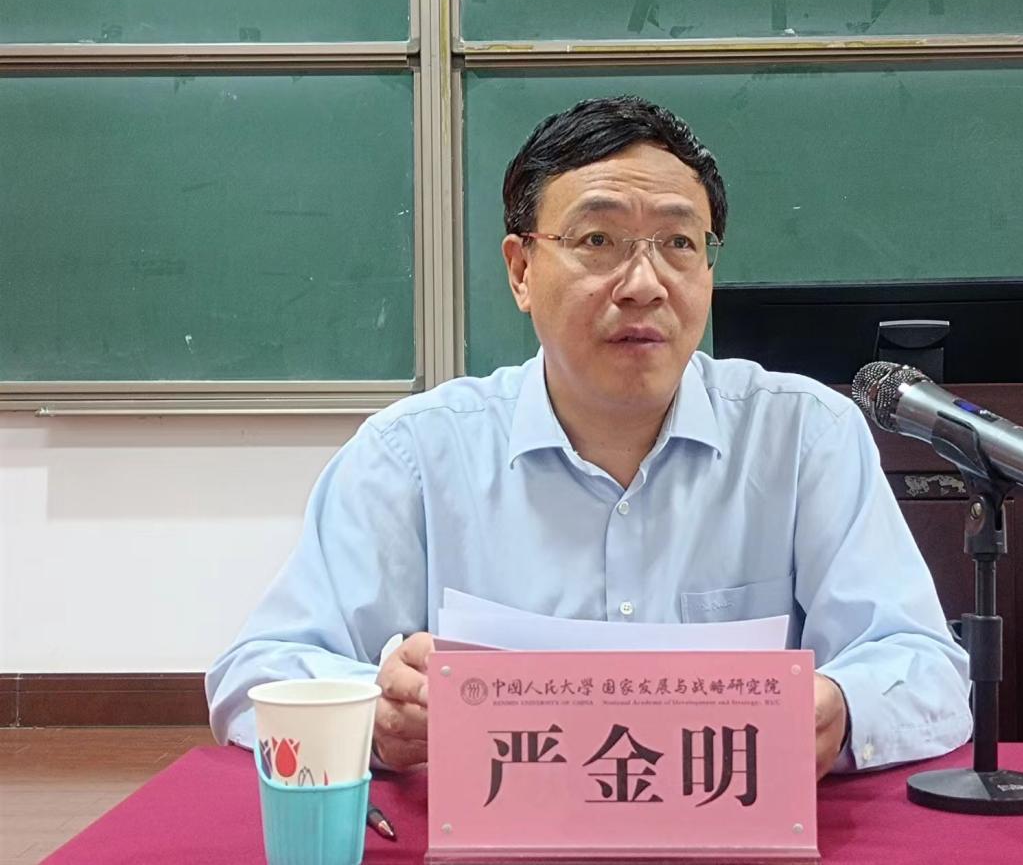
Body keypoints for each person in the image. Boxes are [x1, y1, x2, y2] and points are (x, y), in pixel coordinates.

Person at [206, 95, 971, 779]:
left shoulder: (804, 437)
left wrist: (840, 706)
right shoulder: (412, 455)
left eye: (678, 243)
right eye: (598, 240)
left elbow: (925, 665)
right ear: (520, 270)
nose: (643, 284)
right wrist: (372, 712)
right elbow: (257, 671)